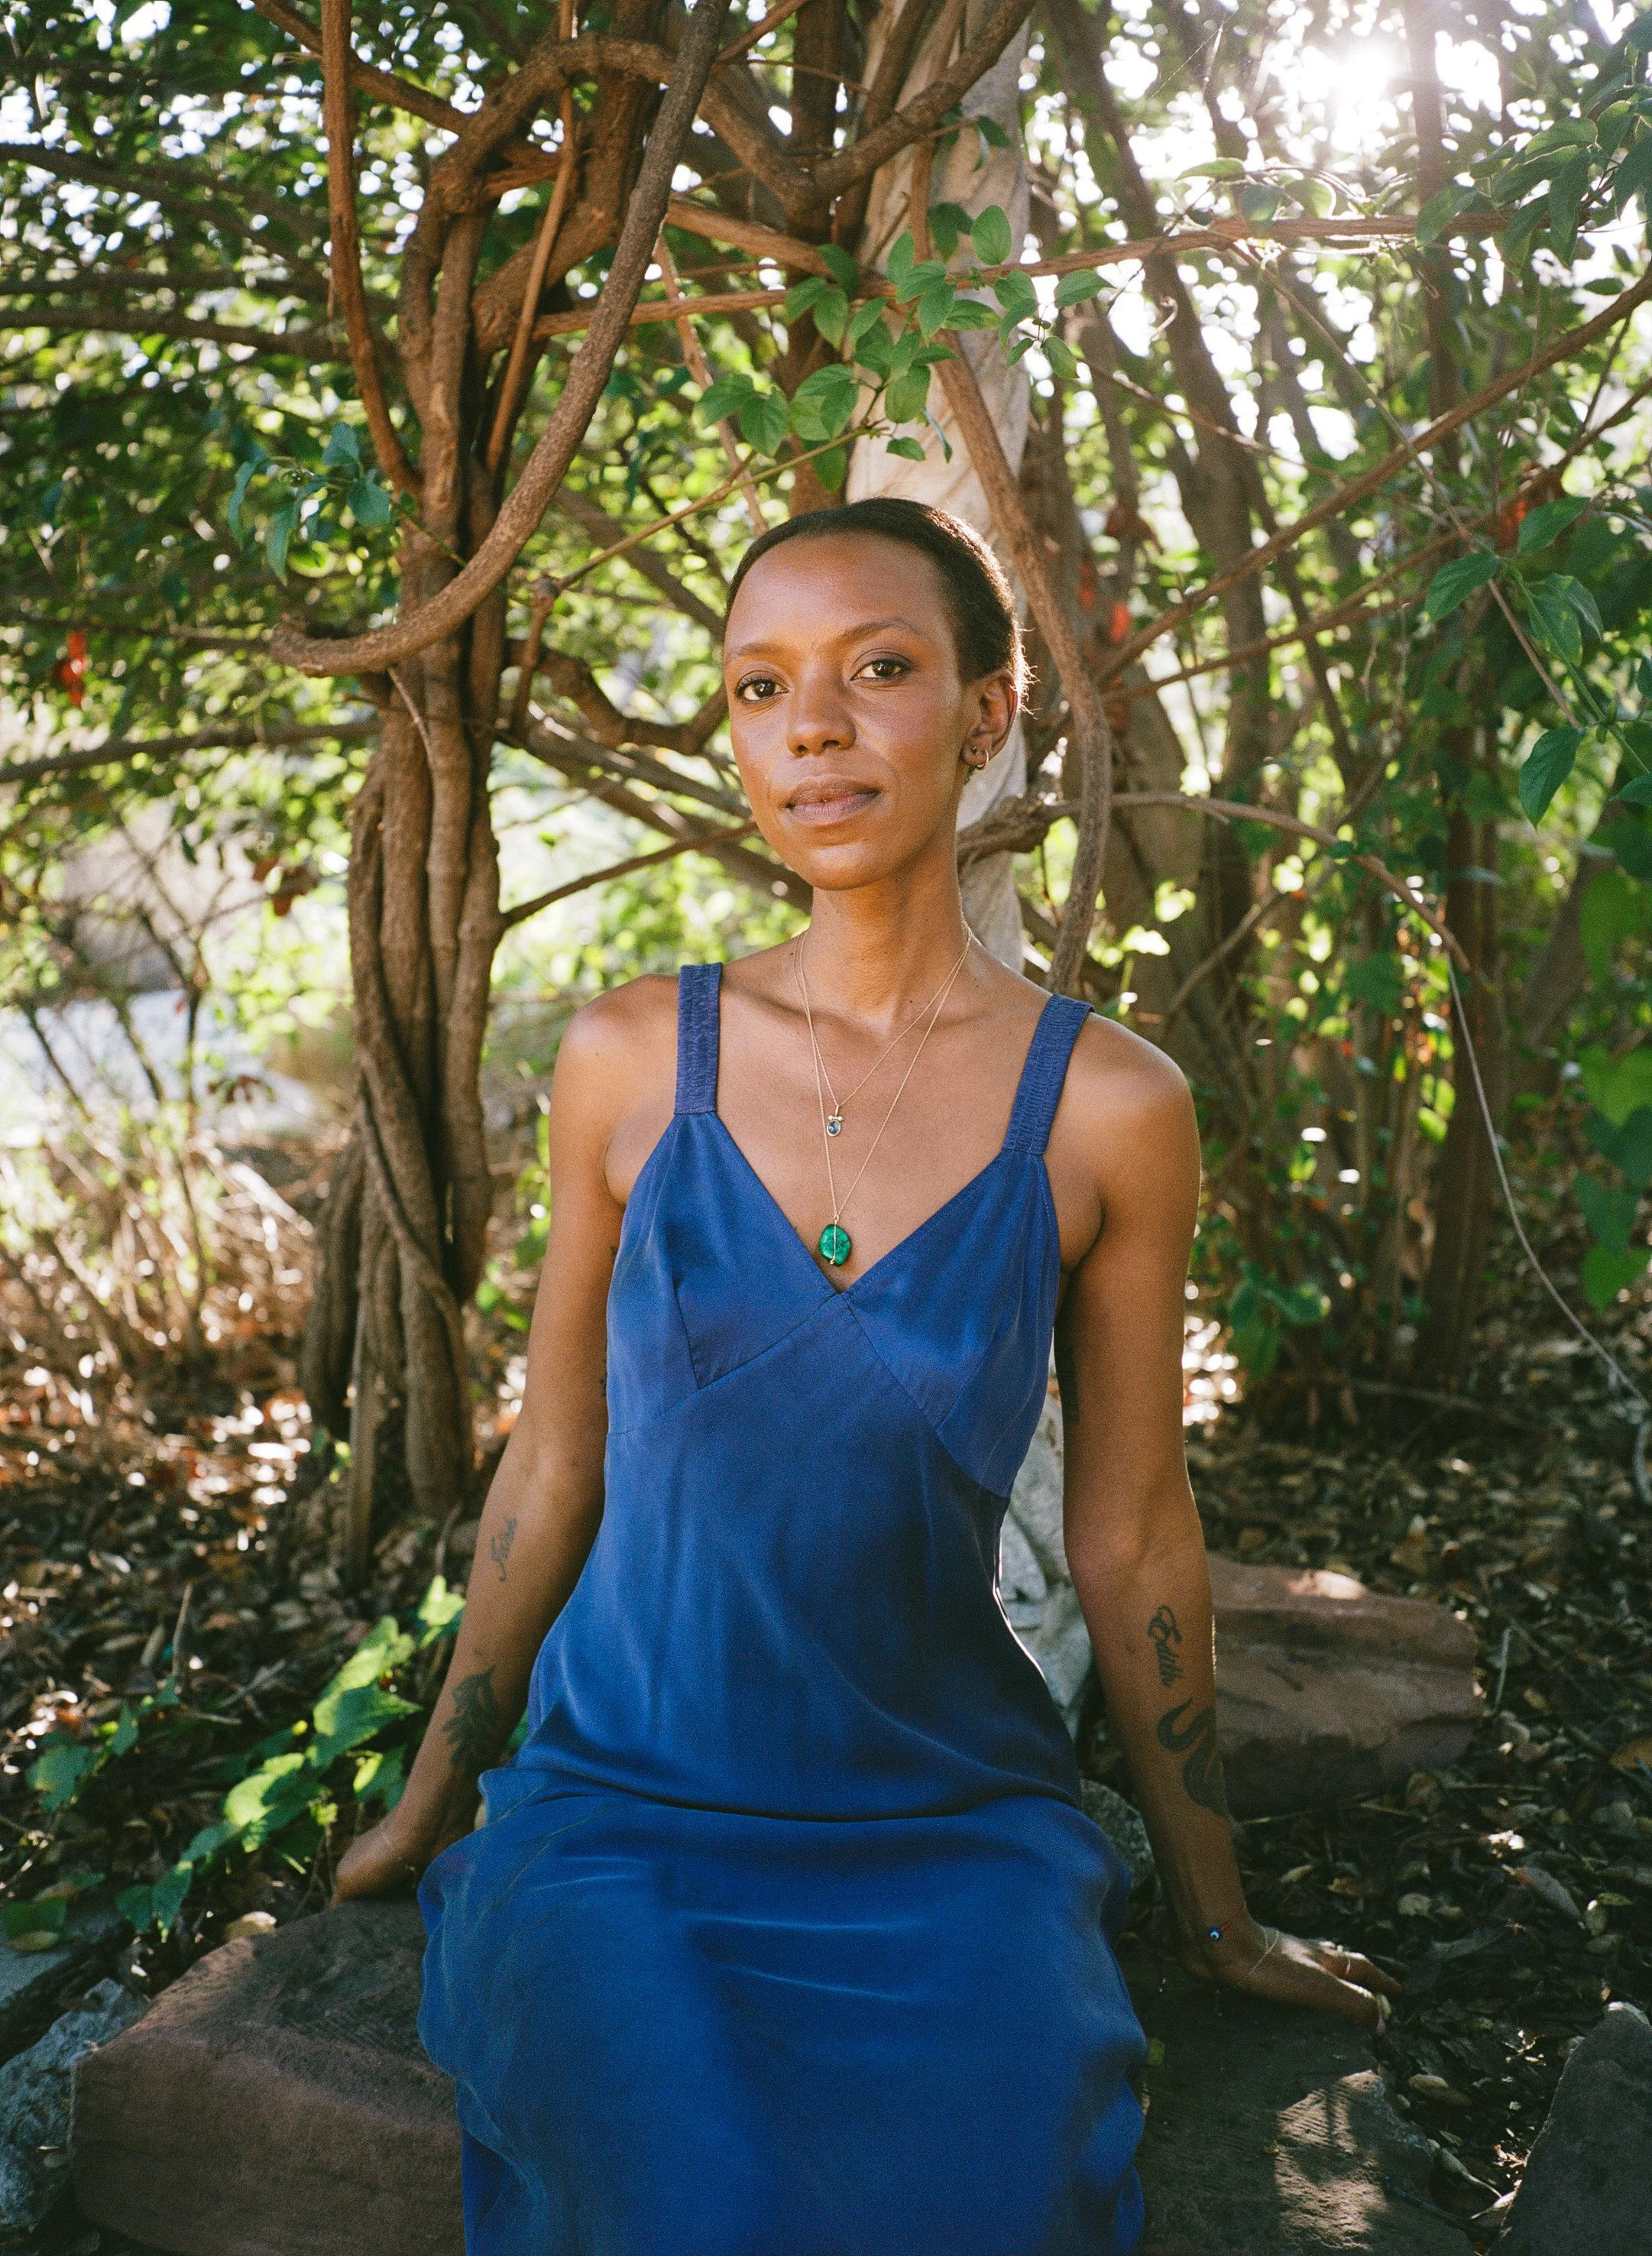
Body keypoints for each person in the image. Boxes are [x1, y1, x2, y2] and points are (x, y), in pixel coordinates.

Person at [334, 496, 1398, 2254]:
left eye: (877, 670)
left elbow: (1133, 1535)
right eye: (759, 688)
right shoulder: (629, 1059)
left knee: (987, 2214)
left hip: (945, 1829)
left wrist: (1214, 1917)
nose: (811, 728)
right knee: (696, 2204)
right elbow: (552, 1467)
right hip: (621, 1822)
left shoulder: (1111, 1107)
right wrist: (431, 1798)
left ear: (987, 716)